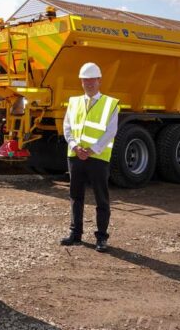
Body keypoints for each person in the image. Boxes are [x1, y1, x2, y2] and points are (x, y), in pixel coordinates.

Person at [60, 62, 119, 253]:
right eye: (85, 80)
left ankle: (101, 238)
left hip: (98, 157)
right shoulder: (74, 101)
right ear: (81, 82)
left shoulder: (111, 104)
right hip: (75, 155)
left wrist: (93, 149)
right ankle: (75, 234)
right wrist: (75, 146)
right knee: (75, 196)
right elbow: (67, 126)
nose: (89, 83)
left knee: (101, 198)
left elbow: (111, 131)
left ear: (99, 80)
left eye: (92, 79)